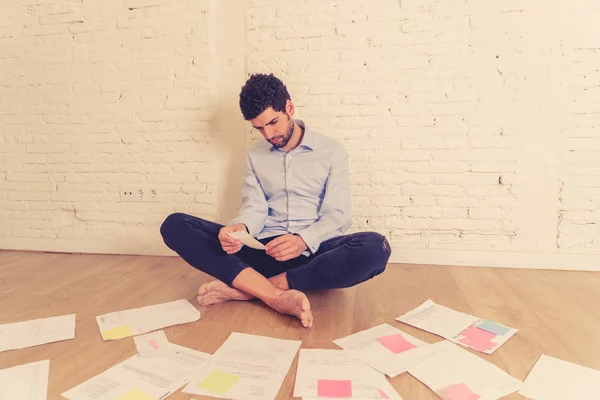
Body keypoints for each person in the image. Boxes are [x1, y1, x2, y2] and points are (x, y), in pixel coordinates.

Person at [160, 73, 391, 328]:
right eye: (259, 128)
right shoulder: (253, 157)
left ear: (289, 108)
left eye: (273, 122)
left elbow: (338, 215)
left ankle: (247, 290)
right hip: (263, 250)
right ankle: (275, 295)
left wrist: (302, 240)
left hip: (312, 254)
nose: (268, 134)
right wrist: (241, 229)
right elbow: (255, 208)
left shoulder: (332, 153)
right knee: (175, 225)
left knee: (375, 247)